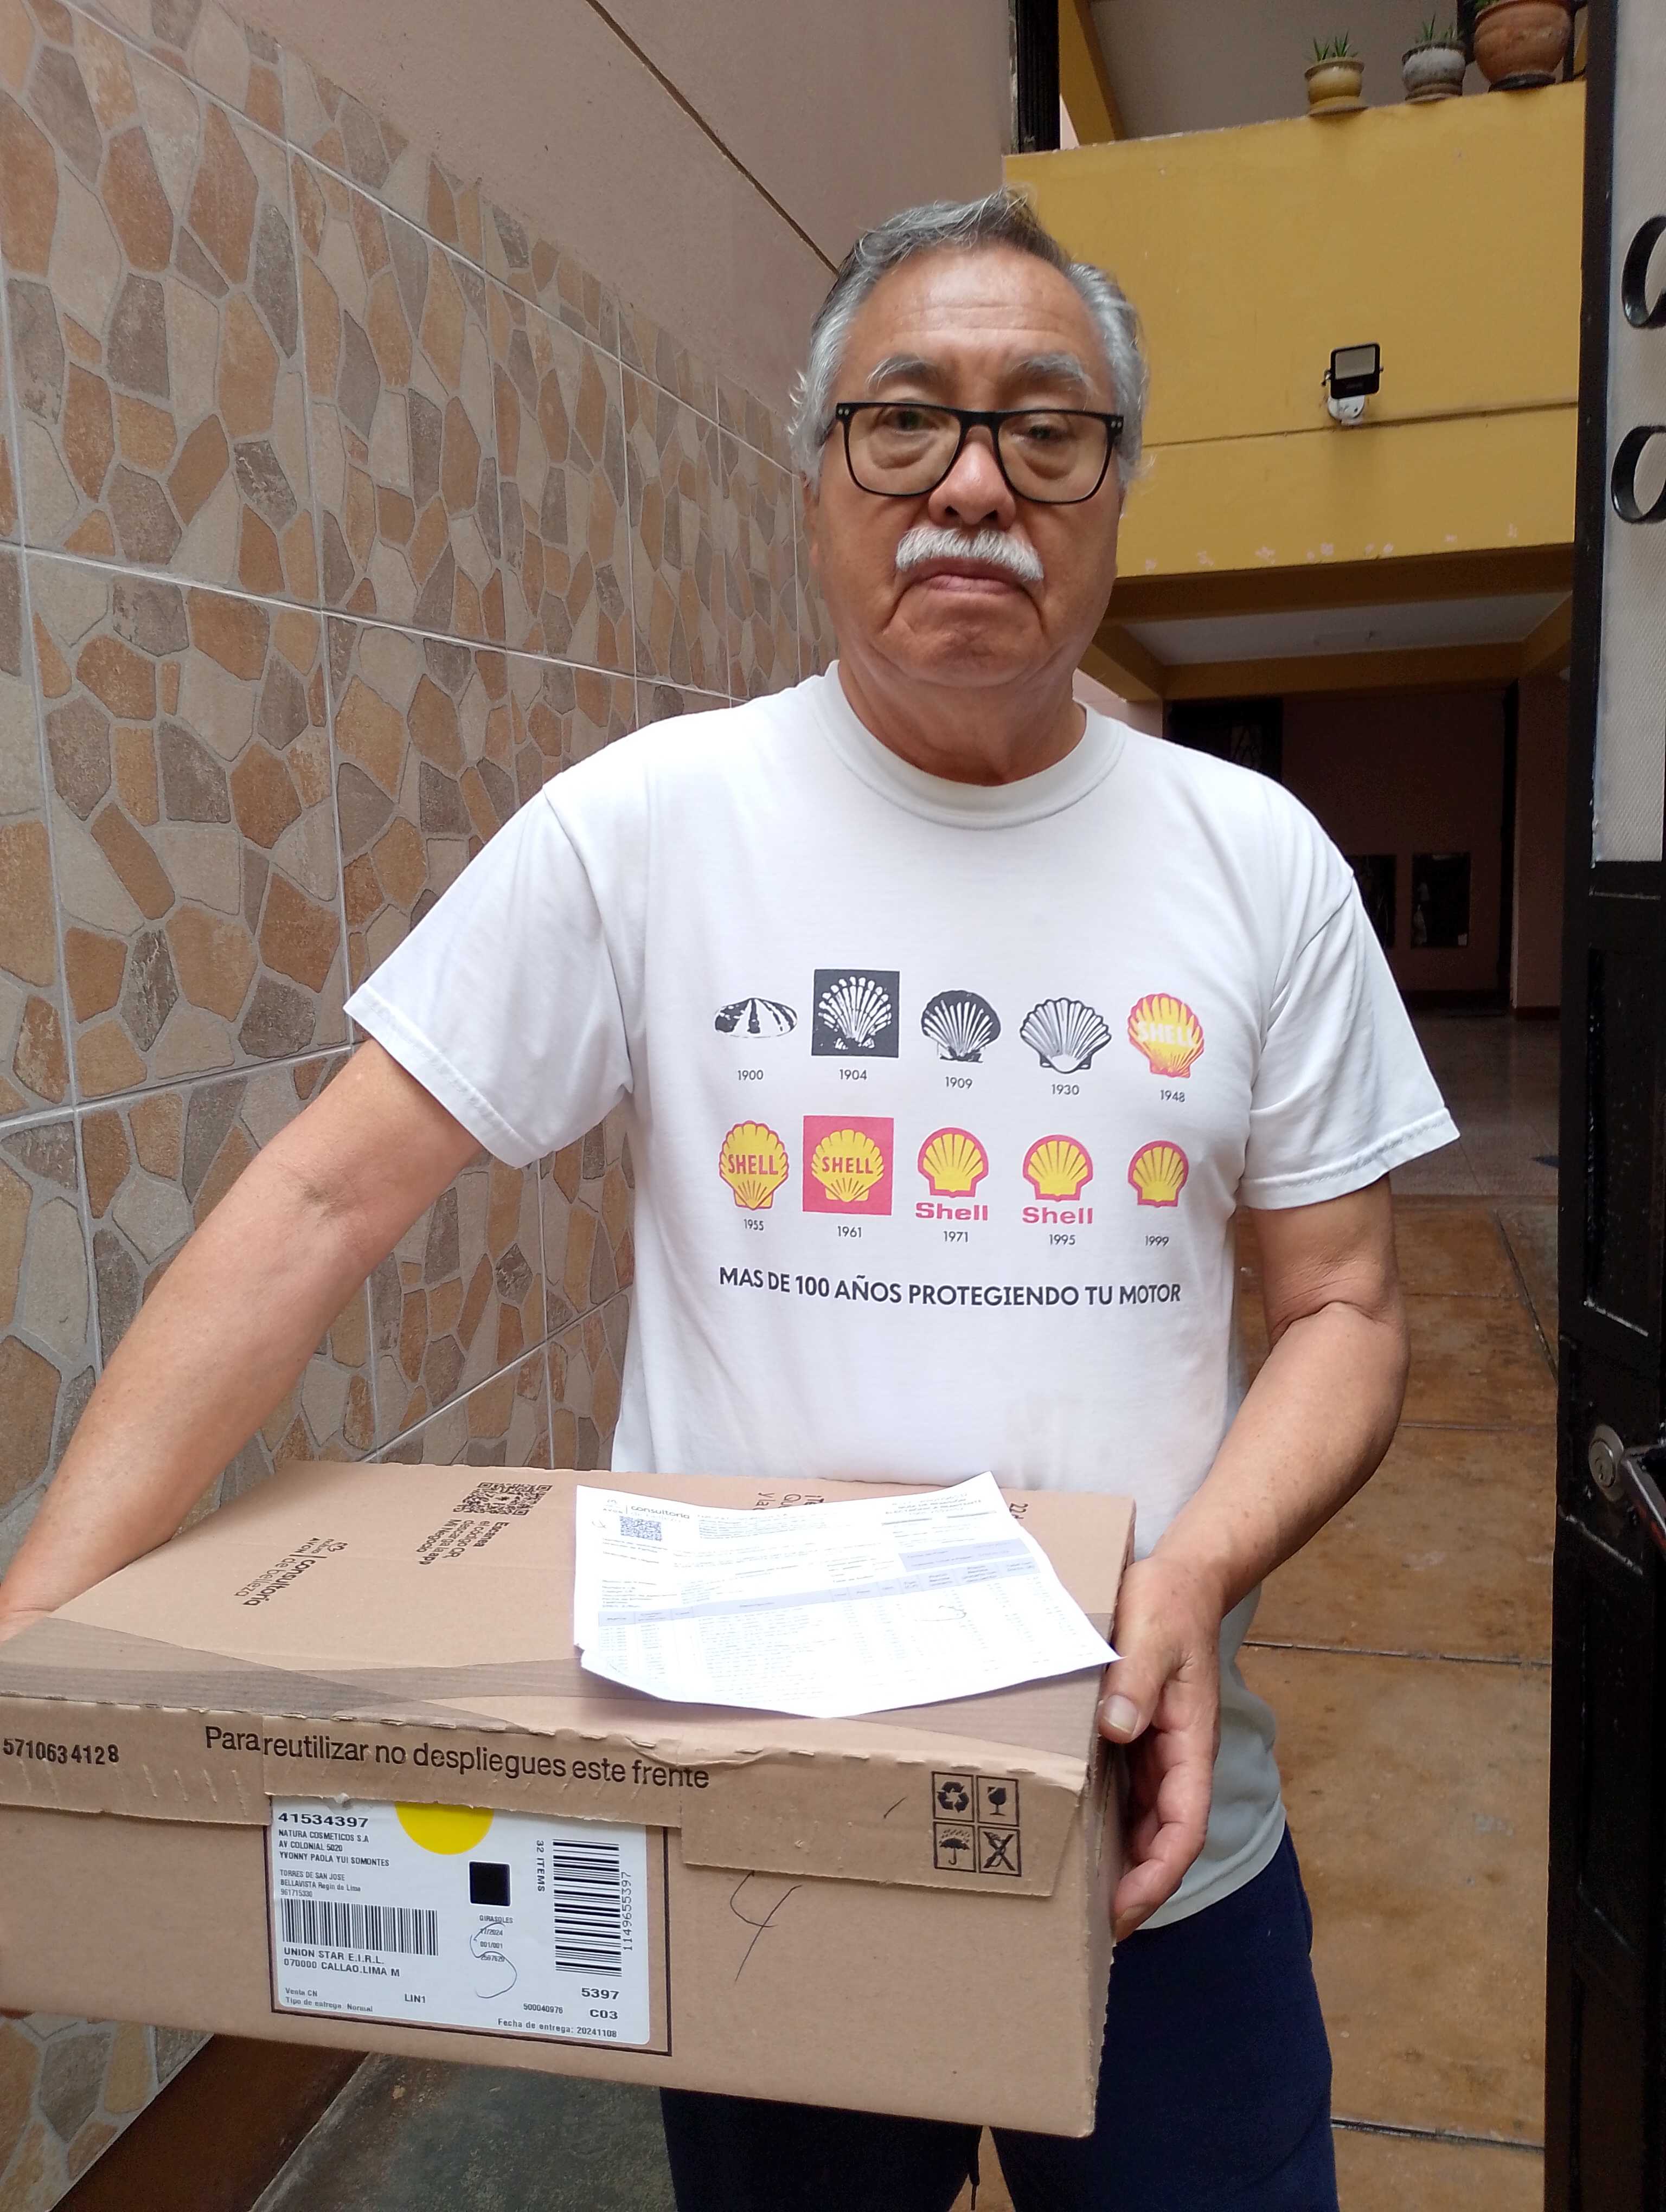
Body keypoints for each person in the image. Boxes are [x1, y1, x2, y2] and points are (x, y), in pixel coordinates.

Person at [0, 189, 1456, 2209]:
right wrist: (35, 1641)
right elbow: (324, 1198)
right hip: (765, 1837)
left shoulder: (1256, 856)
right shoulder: (647, 827)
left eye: (1046, 430)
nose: (973, 485)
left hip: (1155, 1831)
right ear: (818, 477)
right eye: (905, 421)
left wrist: (1195, 1571)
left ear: (1117, 487)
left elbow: (1346, 1308)